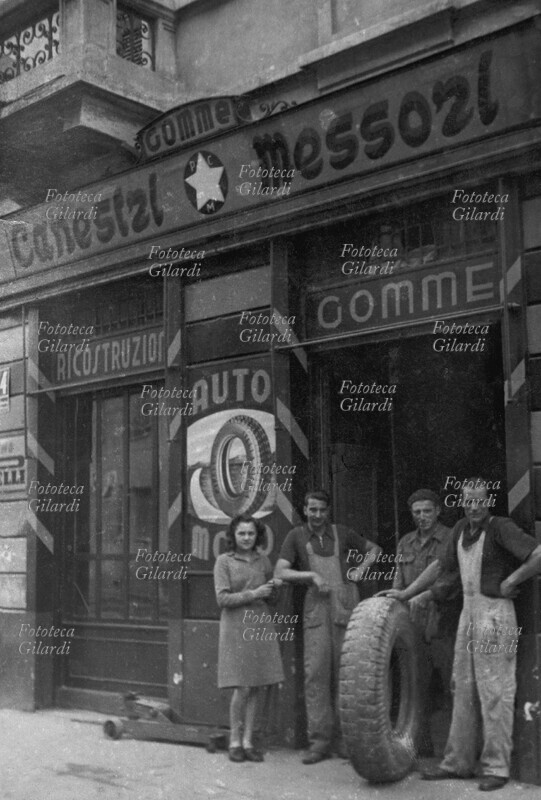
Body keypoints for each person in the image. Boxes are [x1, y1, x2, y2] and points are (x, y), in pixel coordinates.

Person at [382, 479, 541, 791]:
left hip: (497, 615)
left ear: (488, 500)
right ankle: (458, 763)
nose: (474, 507)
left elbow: (538, 554)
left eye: (479, 501)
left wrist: (512, 580)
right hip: (469, 615)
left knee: (496, 692)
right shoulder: (459, 530)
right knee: (463, 689)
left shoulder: (501, 527)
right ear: (462, 502)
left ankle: (497, 768)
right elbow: (440, 568)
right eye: (468, 502)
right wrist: (407, 593)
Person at [275, 489, 382, 764]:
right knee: (316, 676)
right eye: (312, 509)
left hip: (346, 607)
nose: (317, 515)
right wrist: (310, 575)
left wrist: (361, 570)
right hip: (317, 612)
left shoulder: (342, 532)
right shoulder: (296, 536)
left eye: (322, 510)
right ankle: (319, 742)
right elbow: (280, 571)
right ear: (305, 509)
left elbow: (375, 549)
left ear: (328, 510)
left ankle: (345, 741)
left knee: (346, 676)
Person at [392, 488, 461, 756]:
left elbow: (449, 580)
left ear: (438, 511)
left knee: (449, 688)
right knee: (415, 689)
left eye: (427, 511)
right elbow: (398, 583)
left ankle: (450, 753)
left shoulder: (450, 538)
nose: (422, 517)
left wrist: (419, 596)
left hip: (444, 623)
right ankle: (419, 751)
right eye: (417, 512)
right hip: (413, 626)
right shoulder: (405, 543)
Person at [214, 514, 284, 763]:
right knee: (242, 685)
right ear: (233, 536)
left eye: (251, 534)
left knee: (257, 684)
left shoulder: (263, 560)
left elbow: (271, 600)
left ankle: (248, 741)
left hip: (260, 624)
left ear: (258, 536)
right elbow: (222, 599)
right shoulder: (224, 561)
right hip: (235, 625)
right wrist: (254, 592)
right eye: (241, 533)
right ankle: (234, 740)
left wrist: (275, 588)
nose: (246, 538)